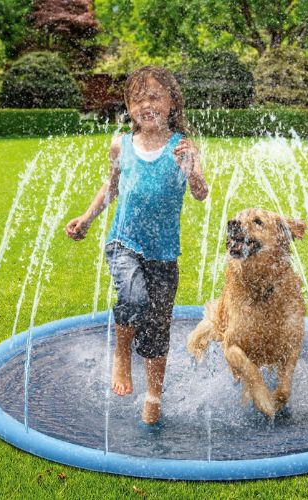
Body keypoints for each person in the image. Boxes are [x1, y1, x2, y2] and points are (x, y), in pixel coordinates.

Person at [65, 66, 208, 424]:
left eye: (155, 96)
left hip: (163, 253)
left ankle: (154, 398)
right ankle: (122, 353)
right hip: (123, 241)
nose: (147, 104)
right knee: (133, 298)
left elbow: (201, 194)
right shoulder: (121, 144)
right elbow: (111, 187)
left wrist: (192, 169)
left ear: (172, 102)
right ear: (129, 107)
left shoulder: (182, 147)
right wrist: (86, 218)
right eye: (138, 98)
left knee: (159, 325)